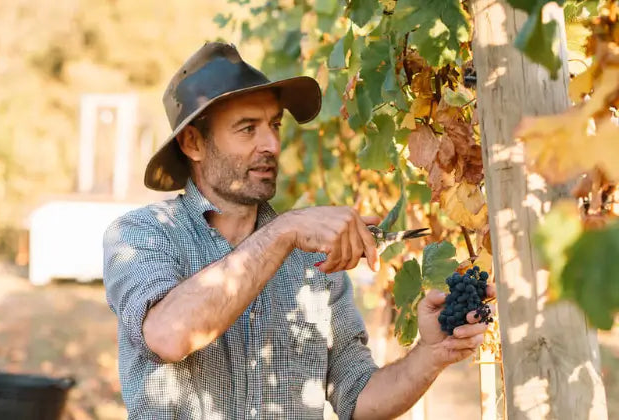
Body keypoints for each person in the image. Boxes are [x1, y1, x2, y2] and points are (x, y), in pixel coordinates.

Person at [103, 42, 494, 420]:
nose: (272, 144)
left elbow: (358, 397)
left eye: (274, 125)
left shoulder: (313, 265)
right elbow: (169, 336)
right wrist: (284, 230)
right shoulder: (142, 235)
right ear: (193, 143)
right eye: (247, 129)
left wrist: (430, 354)